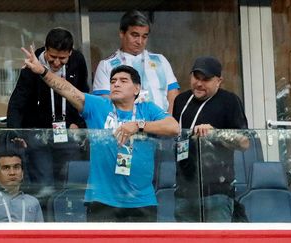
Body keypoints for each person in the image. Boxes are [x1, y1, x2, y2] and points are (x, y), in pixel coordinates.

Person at [22, 44, 179, 222]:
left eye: (123, 80)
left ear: (137, 89)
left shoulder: (147, 109)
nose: (116, 84)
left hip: (141, 201)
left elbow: (174, 127)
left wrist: (138, 125)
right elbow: (66, 88)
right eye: (113, 81)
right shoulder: (98, 106)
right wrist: (42, 71)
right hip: (102, 201)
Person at [7, 27, 89, 197]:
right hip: (38, 133)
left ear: (70, 52)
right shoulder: (33, 62)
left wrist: (79, 123)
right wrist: (16, 133)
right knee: (44, 188)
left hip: (67, 132)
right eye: (52, 58)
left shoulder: (78, 61)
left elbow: (83, 95)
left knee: (71, 184)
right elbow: (17, 102)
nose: (57, 63)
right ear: (45, 48)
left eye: (62, 58)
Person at [172, 56, 249, 222]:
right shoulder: (181, 101)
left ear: (218, 81)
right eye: (196, 77)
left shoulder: (229, 101)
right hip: (184, 190)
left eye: (206, 79)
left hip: (217, 191)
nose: (199, 84)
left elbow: (244, 142)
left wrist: (216, 133)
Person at [92, 10, 180, 114]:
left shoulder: (160, 60)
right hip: (126, 128)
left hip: (161, 127)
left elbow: (173, 94)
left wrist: (168, 122)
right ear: (122, 33)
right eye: (135, 35)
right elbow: (104, 104)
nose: (139, 42)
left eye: (144, 36)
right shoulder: (107, 65)